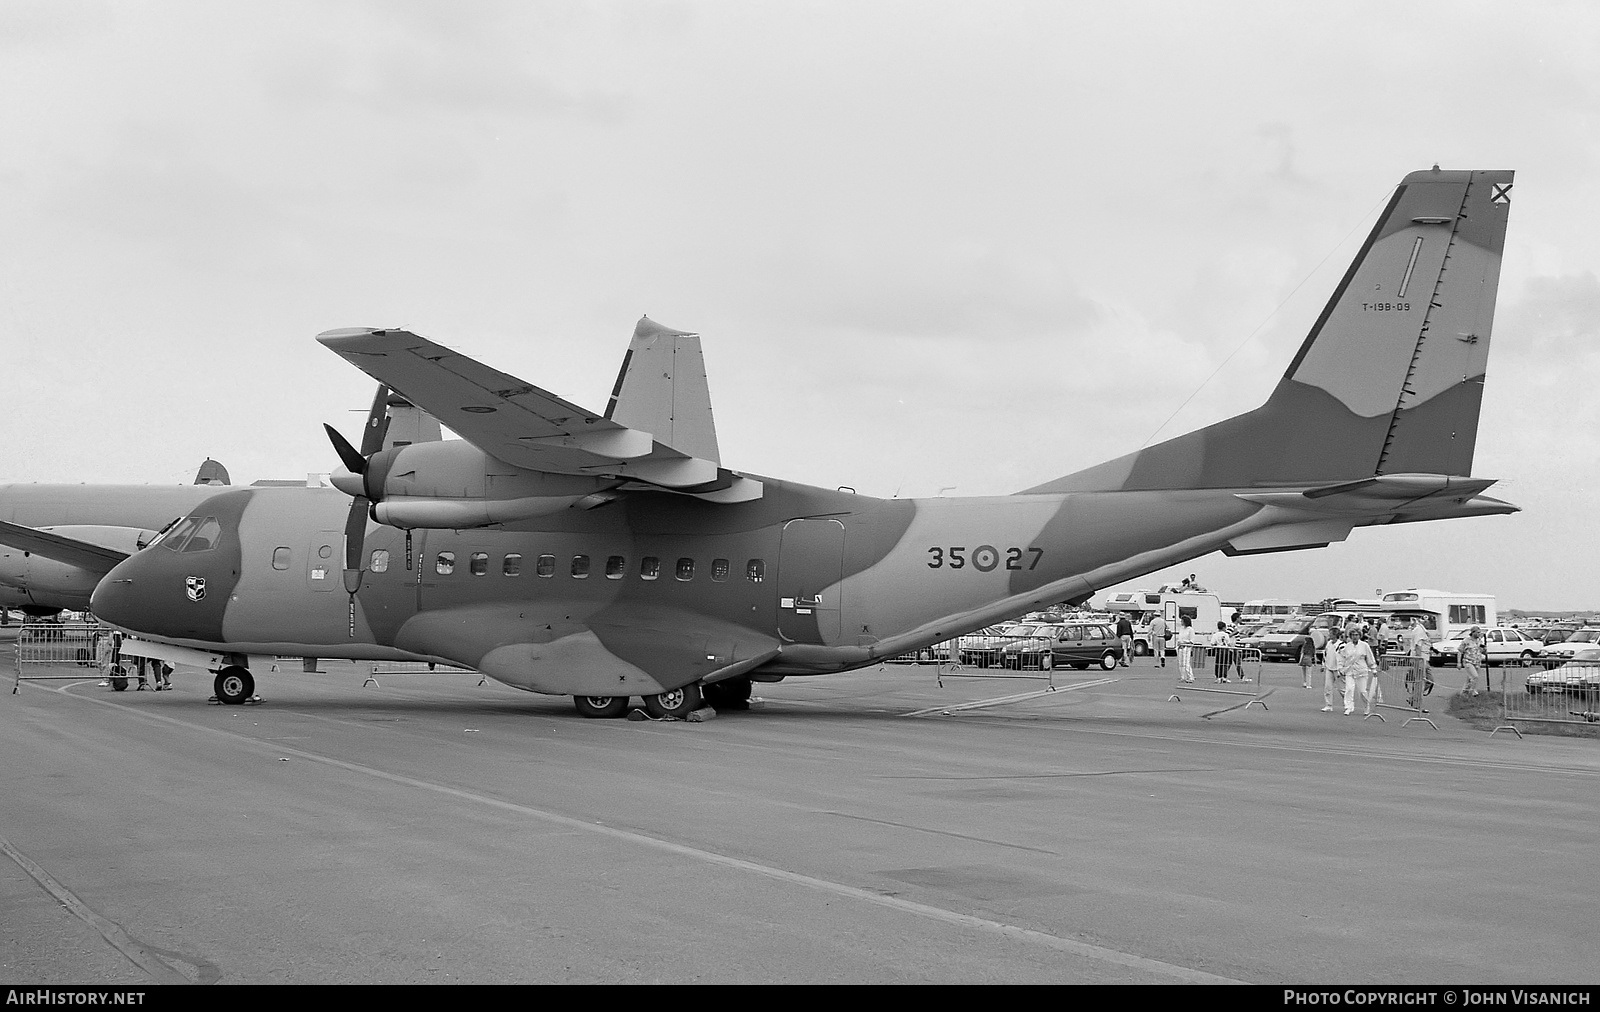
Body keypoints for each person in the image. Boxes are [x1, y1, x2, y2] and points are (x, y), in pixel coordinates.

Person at [1344, 628, 1378, 715]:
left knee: (1362, 691)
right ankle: (1348, 707)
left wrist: (1373, 668)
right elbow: (1344, 658)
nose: (1354, 637)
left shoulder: (1364, 645)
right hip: (1350, 670)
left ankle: (1366, 707)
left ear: (1359, 636)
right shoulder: (1347, 646)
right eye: (1353, 635)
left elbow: (1370, 657)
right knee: (1349, 689)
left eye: (1356, 635)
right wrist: (1342, 669)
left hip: (1361, 671)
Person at [1405, 617, 1432, 711]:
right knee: (1421, 681)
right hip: (1420, 659)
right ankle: (1417, 705)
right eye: (1426, 621)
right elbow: (1418, 646)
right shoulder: (1419, 631)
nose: (1429, 623)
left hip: (1425, 658)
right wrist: (1419, 659)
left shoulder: (1422, 630)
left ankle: (1413, 698)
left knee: (1429, 681)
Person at [1321, 628, 1344, 712]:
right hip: (1329, 668)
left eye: (1330, 634)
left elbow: (1343, 657)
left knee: (1342, 689)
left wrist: (1341, 668)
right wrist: (1323, 665)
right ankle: (1328, 705)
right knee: (1327, 687)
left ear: (1335, 635)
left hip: (1338, 669)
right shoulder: (1329, 643)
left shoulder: (1341, 645)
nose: (1329, 635)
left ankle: (1348, 704)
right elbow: (1325, 654)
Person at [1459, 625, 1485, 697]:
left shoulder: (1480, 640)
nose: (1479, 634)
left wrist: (1484, 649)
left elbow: (1482, 651)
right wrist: (1458, 662)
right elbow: (1460, 651)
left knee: (1469, 679)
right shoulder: (1466, 640)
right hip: (1468, 661)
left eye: (1480, 632)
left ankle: (1464, 693)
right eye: (1477, 632)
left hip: (1477, 662)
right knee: (1475, 676)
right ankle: (1473, 691)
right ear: (1473, 632)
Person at [1176, 616, 1196, 682]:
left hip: (1186, 647)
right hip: (1180, 647)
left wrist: (1184, 642)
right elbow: (1179, 637)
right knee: (1180, 663)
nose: (1181, 622)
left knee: (1186, 663)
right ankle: (1183, 676)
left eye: (1182, 621)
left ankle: (1190, 677)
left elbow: (1192, 640)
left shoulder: (1190, 629)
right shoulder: (1181, 629)